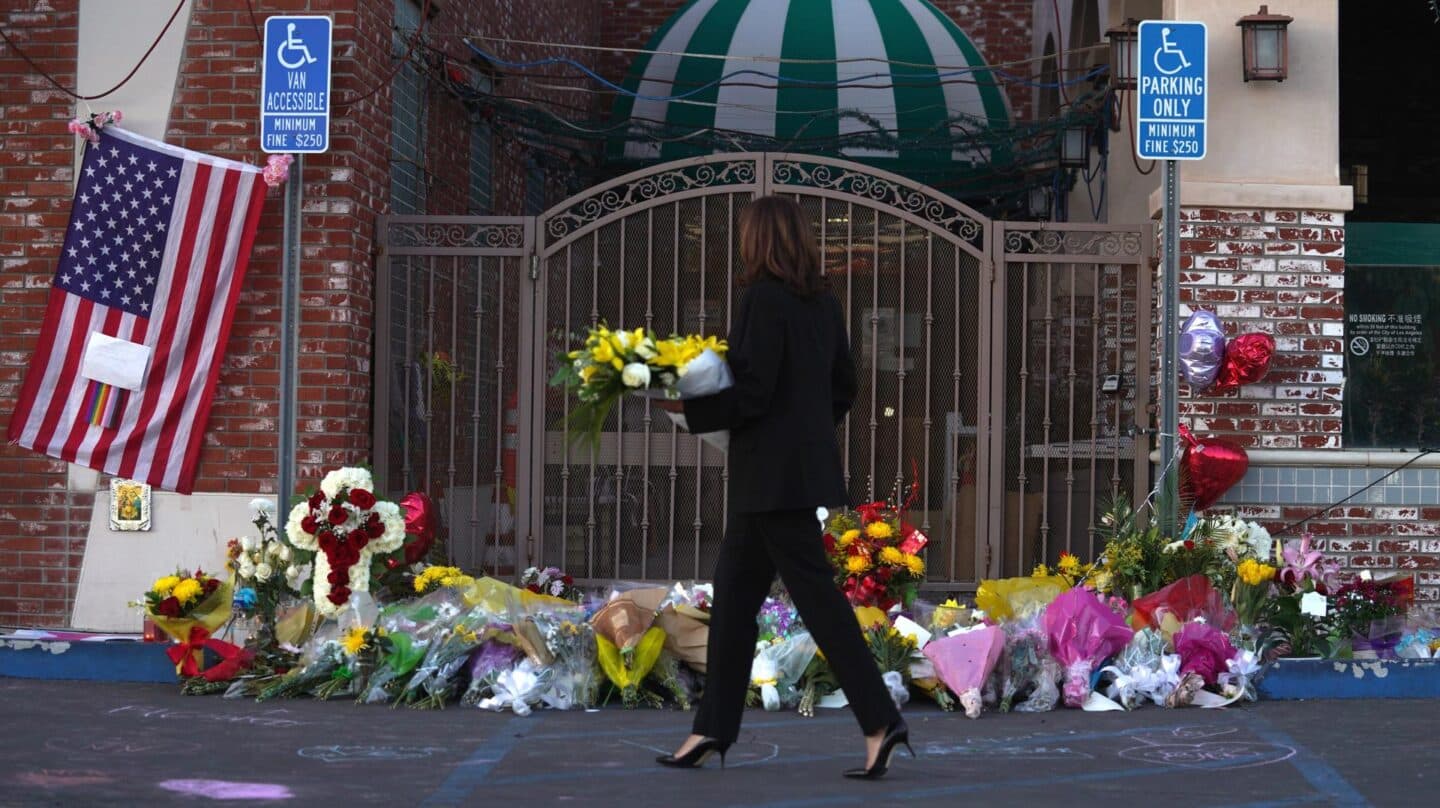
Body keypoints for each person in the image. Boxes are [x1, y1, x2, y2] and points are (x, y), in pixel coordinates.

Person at [654, 196, 912, 779]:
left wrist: (686, 408)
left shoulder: (761, 300)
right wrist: (806, 431)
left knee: (818, 604)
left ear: (760, 240)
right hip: (790, 475)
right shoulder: (824, 304)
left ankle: (879, 720)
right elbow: (842, 387)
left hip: (768, 479)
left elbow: (751, 393)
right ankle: (711, 729)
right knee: (735, 602)